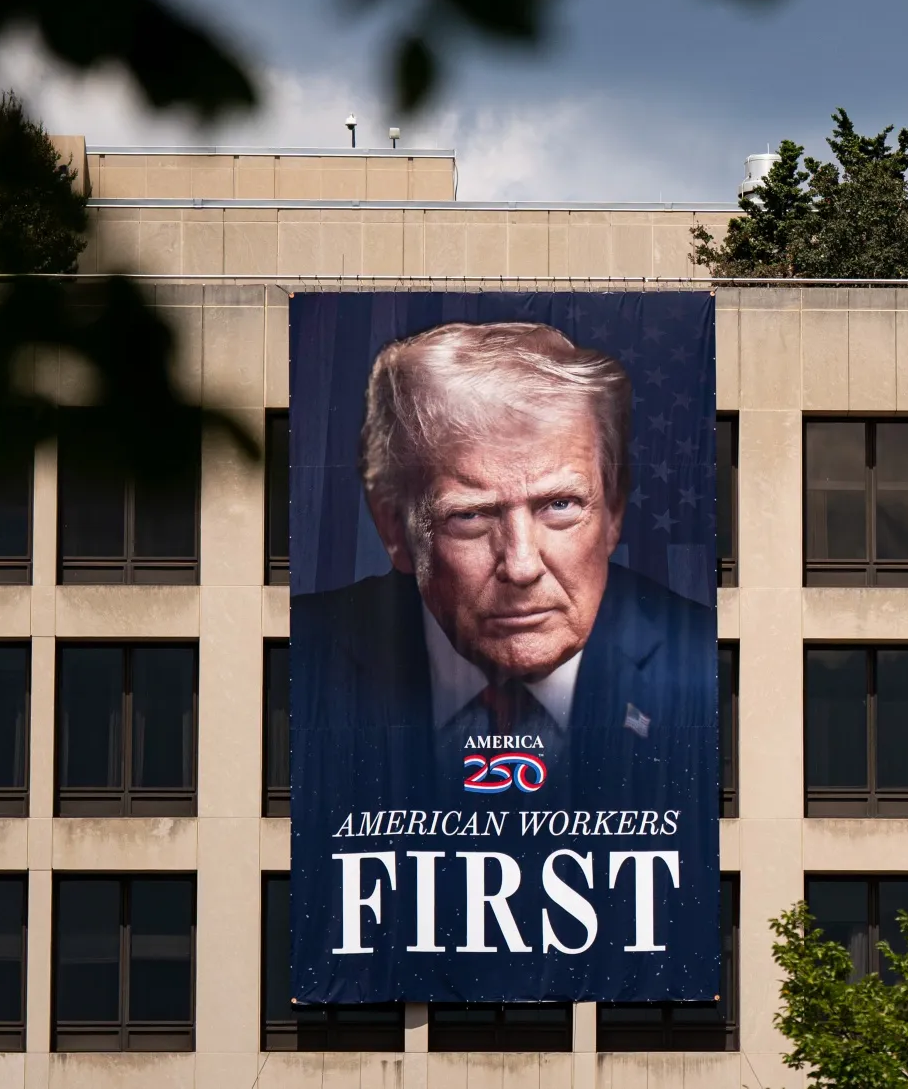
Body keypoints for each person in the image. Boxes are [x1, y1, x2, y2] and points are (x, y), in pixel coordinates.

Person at [291, 320, 712, 804]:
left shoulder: (699, 660)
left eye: (559, 506)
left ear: (613, 512)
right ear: (395, 528)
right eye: (470, 515)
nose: (521, 566)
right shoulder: (304, 660)